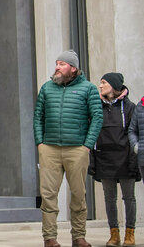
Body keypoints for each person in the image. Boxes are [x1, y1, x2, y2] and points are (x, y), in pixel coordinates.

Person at [33, 50, 103, 247]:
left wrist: (87, 145)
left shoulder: (88, 89)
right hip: (49, 149)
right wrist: (40, 143)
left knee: (78, 195)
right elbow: (38, 116)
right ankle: (49, 238)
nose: (57, 67)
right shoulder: (47, 88)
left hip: (77, 149)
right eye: (56, 63)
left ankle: (79, 237)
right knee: (48, 196)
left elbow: (97, 117)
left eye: (62, 64)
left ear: (73, 68)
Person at [88, 73, 138, 247]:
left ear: (114, 85)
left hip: (125, 158)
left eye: (104, 83)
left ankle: (130, 233)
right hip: (105, 157)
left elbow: (134, 133)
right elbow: (93, 133)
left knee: (129, 197)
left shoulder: (130, 107)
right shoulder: (97, 107)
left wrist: (133, 158)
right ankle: (114, 234)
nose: (100, 86)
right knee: (109, 198)